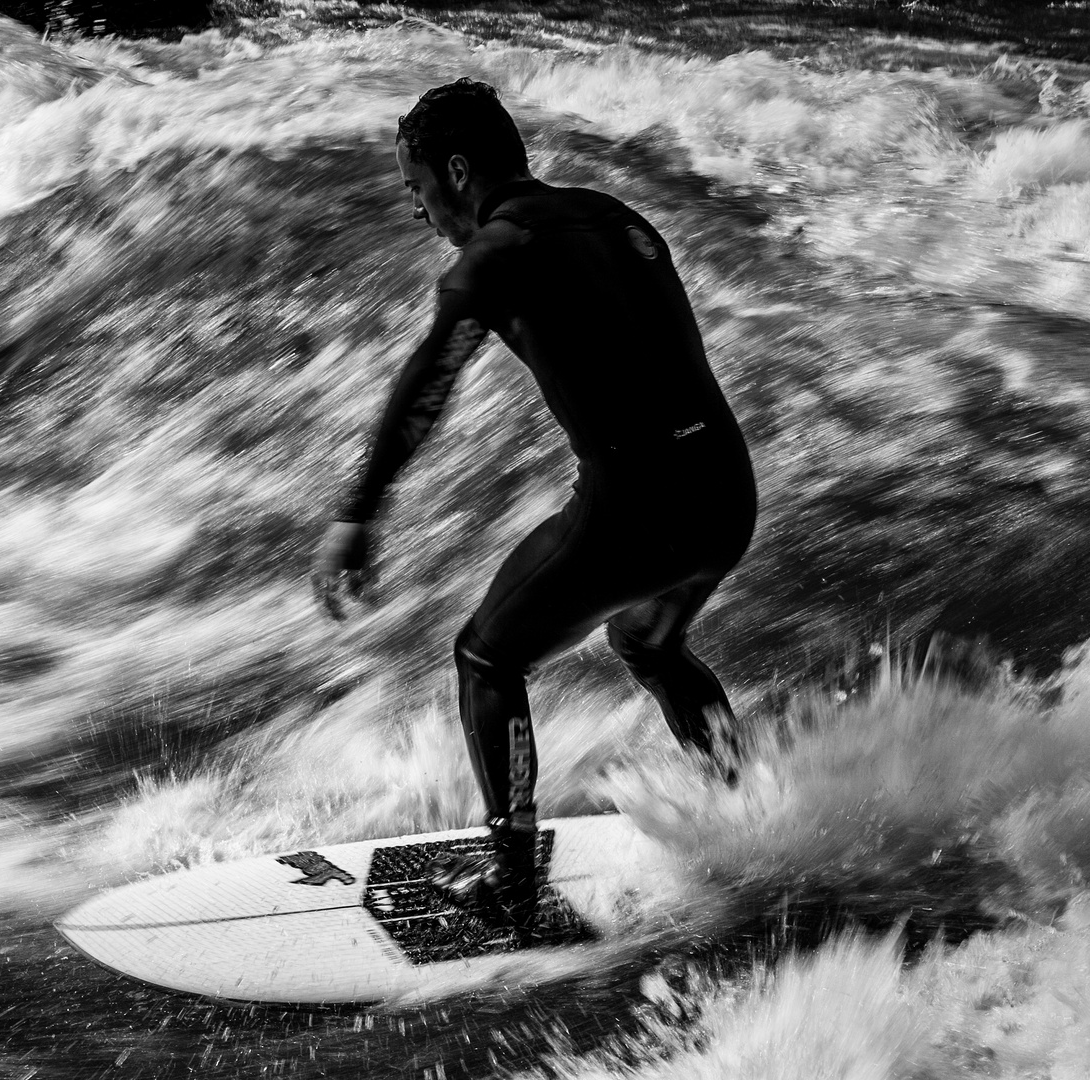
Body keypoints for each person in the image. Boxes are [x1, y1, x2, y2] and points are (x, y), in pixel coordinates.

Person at [312, 78, 757, 944]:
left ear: (457, 169)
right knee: (647, 642)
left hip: (637, 511)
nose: (417, 210)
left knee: (485, 654)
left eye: (415, 189)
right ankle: (748, 809)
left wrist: (357, 514)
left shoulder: (497, 254)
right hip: (725, 495)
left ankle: (509, 876)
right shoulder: (615, 219)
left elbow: (423, 390)